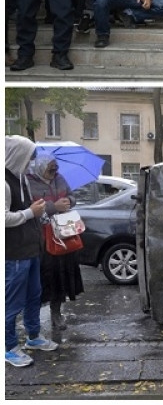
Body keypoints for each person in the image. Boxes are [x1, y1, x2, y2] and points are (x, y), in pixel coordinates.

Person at [6, 135, 58, 368]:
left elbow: (29, 211)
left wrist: (40, 212)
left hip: (31, 249)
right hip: (14, 253)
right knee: (11, 302)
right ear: (18, 155)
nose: (31, 163)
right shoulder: (4, 183)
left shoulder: (21, 179)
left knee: (33, 296)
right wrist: (30, 213)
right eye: (28, 157)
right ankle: (8, 347)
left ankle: (33, 336)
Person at [24, 153, 84, 337]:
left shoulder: (60, 179)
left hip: (64, 235)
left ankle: (56, 313)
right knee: (43, 278)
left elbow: (72, 196)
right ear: (40, 167)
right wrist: (53, 207)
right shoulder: (28, 182)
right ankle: (32, 320)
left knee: (61, 276)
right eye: (50, 170)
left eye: (55, 169)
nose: (53, 173)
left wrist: (69, 201)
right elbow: (29, 208)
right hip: (42, 239)